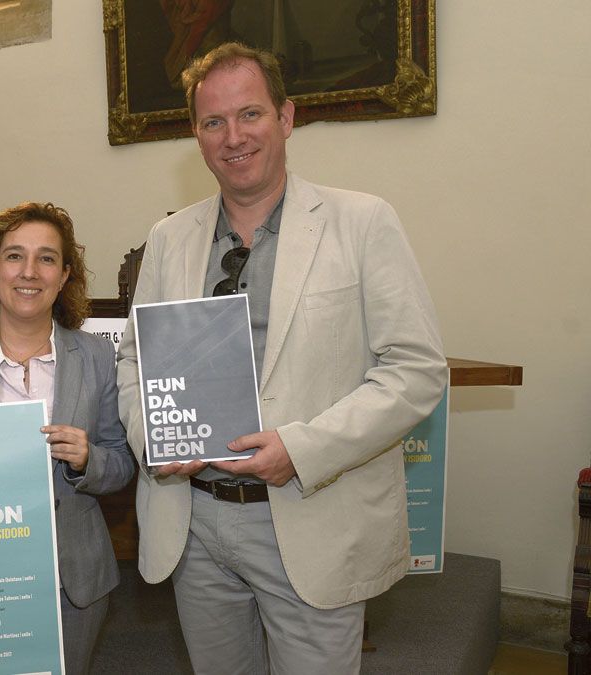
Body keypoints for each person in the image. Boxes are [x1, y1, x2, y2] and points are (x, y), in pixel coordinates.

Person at [116, 43, 446, 673]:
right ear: (196, 134)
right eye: (214, 122)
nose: (233, 136)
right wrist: (156, 435)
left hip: (307, 513)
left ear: (287, 118)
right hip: (194, 523)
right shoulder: (169, 238)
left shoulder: (363, 221)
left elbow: (415, 371)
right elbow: (134, 362)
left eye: (250, 115)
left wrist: (301, 448)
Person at [0, 202, 135, 674]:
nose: (29, 271)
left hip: (73, 574)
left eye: (46, 258)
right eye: (15, 255)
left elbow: (122, 463)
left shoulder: (97, 355)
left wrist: (87, 460)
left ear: (64, 276)